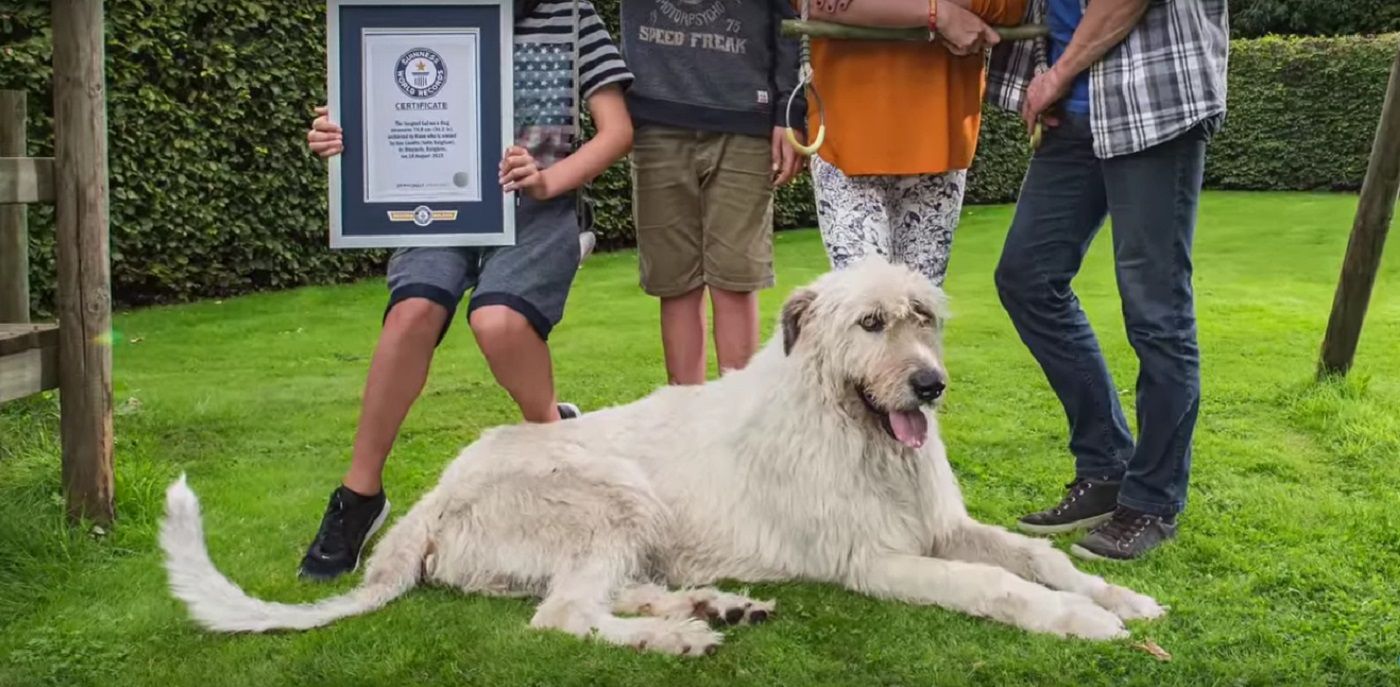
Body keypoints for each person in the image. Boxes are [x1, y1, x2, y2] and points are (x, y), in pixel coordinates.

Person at [297, 0, 634, 581]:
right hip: (441, 210)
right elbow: (385, 107)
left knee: (498, 321)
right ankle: (359, 497)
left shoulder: (571, 13)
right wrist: (341, 133)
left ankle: (555, 446)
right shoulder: (425, 13)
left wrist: (549, 180)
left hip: (538, 210)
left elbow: (618, 129)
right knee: (412, 313)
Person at [987, 0, 1228, 560]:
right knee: (1027, 277)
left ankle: (1152, 499)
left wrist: (1058, 74)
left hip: (1152, 102)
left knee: (1156, 310)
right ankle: (1106, 468)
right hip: (1072, 112)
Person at [619, 1, 805, 384]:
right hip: (655, 117)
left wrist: (790, 109)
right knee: (675, 285)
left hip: (745, 118)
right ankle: (684, 422)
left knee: (736, 280)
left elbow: (790, 20)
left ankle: (739, 422)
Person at [802, 0, 1025, 286]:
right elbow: (816, 5)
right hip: (845, 142)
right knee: (862, 309)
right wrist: (937, 13)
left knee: (920, 314)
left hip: (937, 143)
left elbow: (1008, 7)